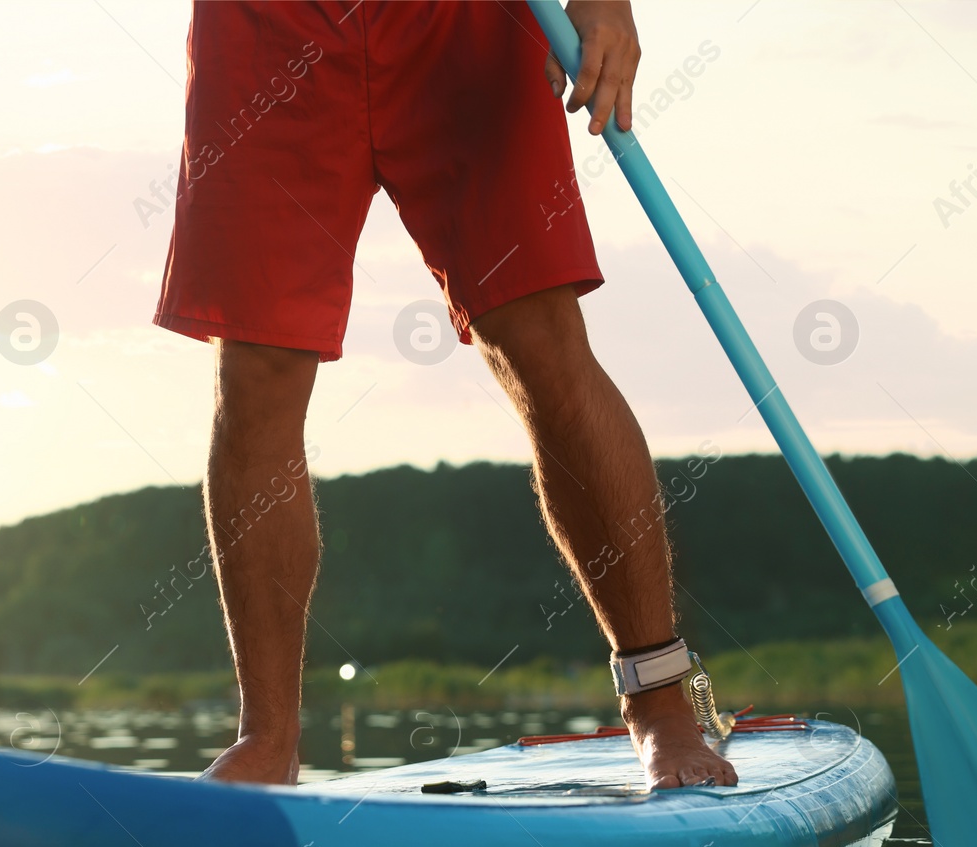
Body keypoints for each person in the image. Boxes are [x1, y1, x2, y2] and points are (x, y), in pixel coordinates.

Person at [153, 0, 739, 790]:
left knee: (539, 338)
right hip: (268, 26)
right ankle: (267, 739)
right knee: (257, 368)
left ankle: (661, 701)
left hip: (462, 20)